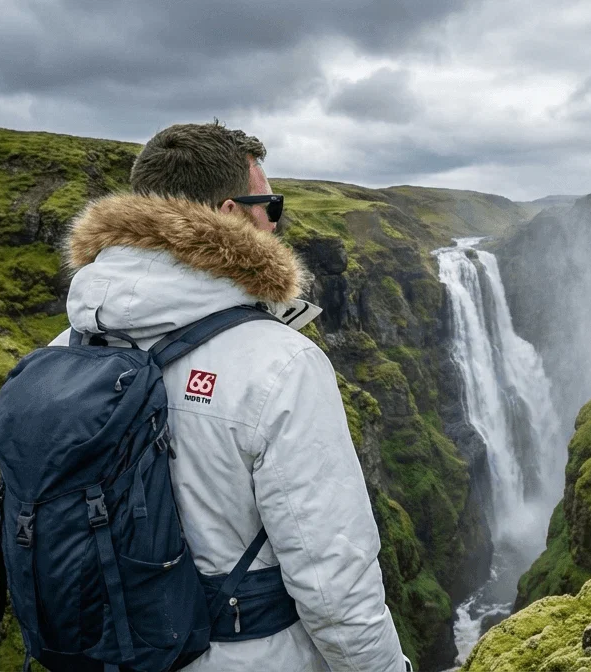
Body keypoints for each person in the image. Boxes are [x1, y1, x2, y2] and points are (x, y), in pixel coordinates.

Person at [54, 122, 408, 672]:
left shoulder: (62, 350)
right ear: (228, 213)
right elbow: (333, 579)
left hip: (105, 652)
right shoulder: (279, 363)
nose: (275, 220)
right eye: (269, 204)